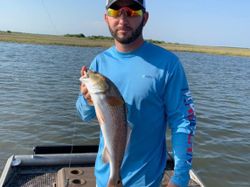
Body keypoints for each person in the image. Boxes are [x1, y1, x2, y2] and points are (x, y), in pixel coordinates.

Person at [76, 0, 196, 186]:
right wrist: (86, 99)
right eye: (116, 11)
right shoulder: (99, 63)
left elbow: (183, 122)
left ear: (145, 18)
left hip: (146, 181)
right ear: (106, 17)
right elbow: (84, 115)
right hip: (104, 178)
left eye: (132, 10)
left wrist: (180, 178)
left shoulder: (168, 64)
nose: (123, 18)